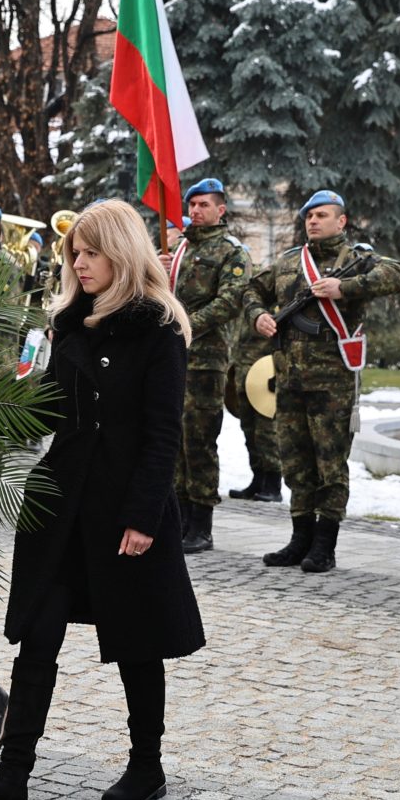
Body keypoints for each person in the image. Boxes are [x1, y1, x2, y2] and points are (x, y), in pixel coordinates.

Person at [0, 199, 205, 800]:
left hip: (125, 509)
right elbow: (42, 409)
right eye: (75, 253)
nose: (79, 262)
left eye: (91, 252)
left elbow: (162, 434)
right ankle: (12, 779)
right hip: (60, 505)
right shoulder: (71, 322)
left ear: (121, 254)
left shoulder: (160, 330)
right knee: (37, 636)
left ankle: (146, 765)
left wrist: (144, 517)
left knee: (136, 641)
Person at [244, 190, 400, 573]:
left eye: (321, 215)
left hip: (332, 384)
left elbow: (398, 274)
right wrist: (257, 315)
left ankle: (325, 545)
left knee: (330, 465)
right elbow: (252, 288)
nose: (313, 222)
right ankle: (299, 538)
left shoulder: (355, 260)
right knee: (296, 462)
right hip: (288, 381)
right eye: (308, 217)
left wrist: (345, 288)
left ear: (341, 221)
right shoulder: (288, 263)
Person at [159, 179, 249, 554]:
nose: (195, 211)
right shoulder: (177, 249)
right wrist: (157, 270)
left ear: (220, 210)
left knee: (199, 441)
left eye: (203, 205)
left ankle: (202, 524)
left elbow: (231, 300)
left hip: (206, 358)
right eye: (192, 204)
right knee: (171, 439)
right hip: (170, 356)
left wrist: (184, 322)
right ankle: (177, 517)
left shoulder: (231, 251)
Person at [226, 252, 283, 502]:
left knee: (266, 428)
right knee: (248, 426)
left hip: (265, 367)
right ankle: (257, 479)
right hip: (244, 366)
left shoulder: (267, 296)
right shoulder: (245, 299)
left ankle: (273, 484)